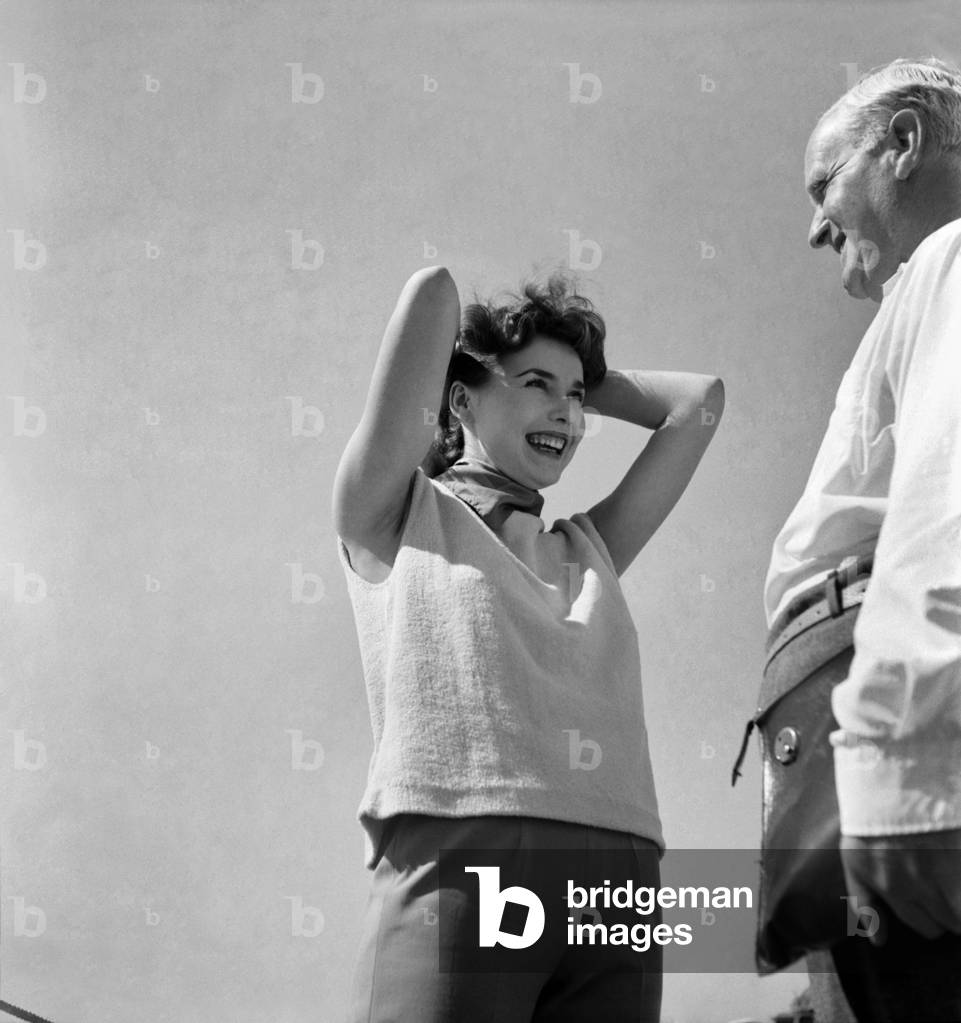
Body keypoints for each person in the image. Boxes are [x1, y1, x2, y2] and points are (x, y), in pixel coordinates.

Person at [332, 265, 724, 1022]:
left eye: (576, 397)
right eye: (536, 385)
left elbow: (698, 402)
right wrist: (494, 348)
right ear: (457, 397)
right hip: (460, 851)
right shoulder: (391, 512)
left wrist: (576, 372)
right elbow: (432, 292)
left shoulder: (587, 550)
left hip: (620, 873)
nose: (567, 416)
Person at [763, 57, 961, 1022]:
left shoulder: (954, 255)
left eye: (822, 183)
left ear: (905, 143)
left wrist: (901, 770)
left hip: (907, 790)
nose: (813, 227)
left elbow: (948, 499)